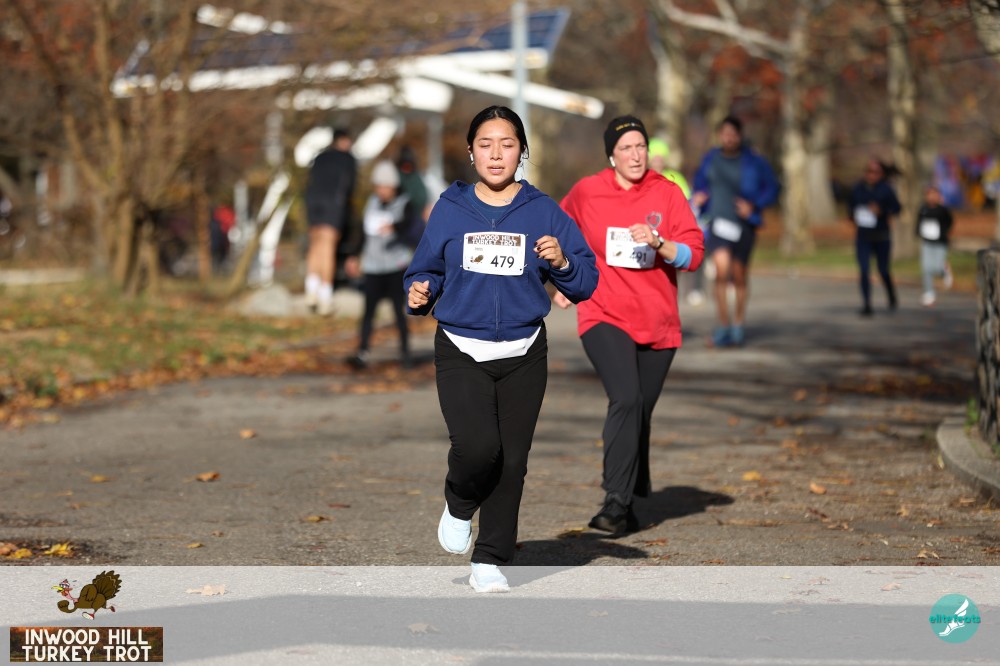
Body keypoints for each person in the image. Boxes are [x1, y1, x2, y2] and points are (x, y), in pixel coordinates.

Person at [404, 105, 598, 593]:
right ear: (471, 153)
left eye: (507, 144)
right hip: (461, 347)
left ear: (522, 152)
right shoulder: (450, 208)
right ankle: (458, 502)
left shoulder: (543, 211)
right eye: (485, 144)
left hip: (524, 350)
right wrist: (420, 289)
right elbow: (424, 268)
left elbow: (585, 280)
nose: (496, 154)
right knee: (477, 448)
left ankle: (490, 557)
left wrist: (562, 262)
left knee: (512, 462)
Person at [558, 115, 705, 536]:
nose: (636, 155)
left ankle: (630, 499)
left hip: (658, 321)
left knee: (639, 410)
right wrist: (566, 277)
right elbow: (556, 229)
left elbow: (694, 255)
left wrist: (659, 243)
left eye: (641, 146)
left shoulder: (667, 192)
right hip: (603, 312)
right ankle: (615, 502)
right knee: (625, 398)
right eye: (626, 148)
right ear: (611, 155)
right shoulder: (588, 191)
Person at [691, 115, 780, 347]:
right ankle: (723, 325)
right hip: (717, 223)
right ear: (719, 135)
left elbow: (772, 187)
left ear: (740, 136)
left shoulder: (754, 161)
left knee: (739, 275)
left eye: (733, 134)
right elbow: (699, 182)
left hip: (743, 224)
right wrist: (699, 195)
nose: (729, 138)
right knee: (721, 272)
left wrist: (754, 204)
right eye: (725, 134)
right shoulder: (710, 158)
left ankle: (738, 324)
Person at [345, 160, 422, 369]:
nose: (380, 191)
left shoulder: (405, 203)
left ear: (393, 186)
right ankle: (362, 353)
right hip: (373, 266)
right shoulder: (371, 203)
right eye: (377, 186)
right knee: (368, 312)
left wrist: (394, 227)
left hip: (396, 266)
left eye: (384, 186)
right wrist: (354, 255)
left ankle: (405, 353)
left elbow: (411, 228)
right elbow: (363, 233)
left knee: (399, 311)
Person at [304, 128, 356, 316]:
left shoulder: (319, 157)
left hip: (312, 203)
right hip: (333, 204)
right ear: (343, 140)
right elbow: (349, 186)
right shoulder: (347, 159)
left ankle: (311, 290)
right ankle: (325, 297)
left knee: (315, 245)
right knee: (327, 247)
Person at [848, 158, 900, 316]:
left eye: (876, 172)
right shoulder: (858, 189)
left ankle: (891, 294)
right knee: (864, 270)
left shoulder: (886, 189)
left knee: (883, 270)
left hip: (881, 236)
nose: (871, 175)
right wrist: (854, 216)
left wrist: (882, 211)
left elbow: (897, 209)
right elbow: (850, 208)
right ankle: (867, 304)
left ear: (881, 174)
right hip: (863, 237)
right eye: (869, 171)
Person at [915, 184, 954, 307]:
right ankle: (929, 294)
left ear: (938, 196)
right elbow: (919, 223)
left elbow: (949, 222)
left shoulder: (943, 210)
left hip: (940, 243)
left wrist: (944, 233)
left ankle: (944, 271)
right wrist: (918, 232)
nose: (931, 197)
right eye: (929, 194)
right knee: (926, 268)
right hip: (927, 242)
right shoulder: (923, 209)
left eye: (934, 194)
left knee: (936, 267)